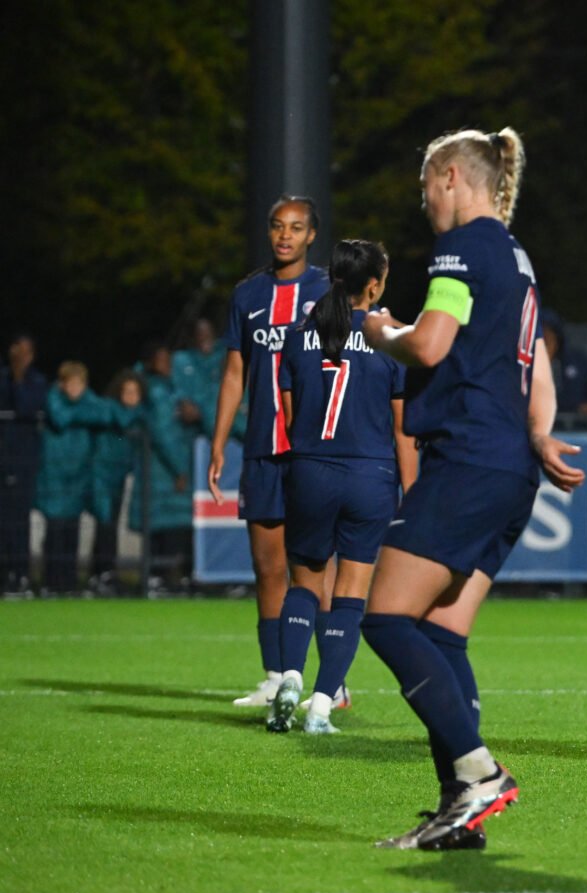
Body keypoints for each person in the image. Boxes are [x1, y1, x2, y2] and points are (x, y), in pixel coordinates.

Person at [359, 126, 584, 850]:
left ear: (452, 175)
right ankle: (461, 808)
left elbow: (429, 344)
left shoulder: (461, 248)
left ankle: (479, 771)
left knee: (387, 618)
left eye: (426, 184)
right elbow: (538, 362)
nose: (423, 199)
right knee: (440, 632)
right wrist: (542, 433)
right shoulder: (517, 259)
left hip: (468, 458)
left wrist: (380, 330)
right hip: (510, 466)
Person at [265, 239, 418, 735]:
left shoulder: (296, 337)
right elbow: (403, 430)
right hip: (370, 476)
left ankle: (289, 676)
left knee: (305, 585)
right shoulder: (389, 339)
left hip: (311, 470)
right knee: (351, 594)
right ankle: (322, 707)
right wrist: (411, 494)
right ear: (372, 285)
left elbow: (288, 417)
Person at [209, 196, 329, 706]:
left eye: (296, 228)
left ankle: (330, 680)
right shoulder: (248, 295)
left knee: (313, 567)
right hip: (262, 446)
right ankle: (276, 675)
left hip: (311, 450)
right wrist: (219, 442)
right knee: (267, 567)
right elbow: (235, 372)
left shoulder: (327, 290)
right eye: (278, 226)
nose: (285, 235)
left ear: (311, 236)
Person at [35, 362, 109, 593]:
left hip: (78, 476)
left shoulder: (88, 400)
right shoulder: (53, 398)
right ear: (62, 383)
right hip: (54, 475)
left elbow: (105, 414)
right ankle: (51, 581)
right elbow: (60, 418)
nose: (76, 388)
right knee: (55, 531)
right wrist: (83, 415)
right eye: (71, 383)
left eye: (80, 383)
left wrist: (78, 413)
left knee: (72, 531)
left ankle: (68, 582)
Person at [131, 342, 196, 592]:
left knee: (166, 524)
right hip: (162, 469)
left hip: (164, 468)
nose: (167, 365)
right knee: (165, 525)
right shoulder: (157, 393)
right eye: (161, 360)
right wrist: (179, 469)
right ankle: (160, 577)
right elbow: (162, 434)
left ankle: (161, 577)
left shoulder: (168, 389)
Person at [89, 370, 144, 593]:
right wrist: (140, 409)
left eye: (136, 393)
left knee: (111, 523)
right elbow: (123, 419)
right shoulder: (115, 410)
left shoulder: (132, 416)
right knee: (105, 523)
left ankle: (107, 572)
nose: (131, 397)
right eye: (127, 391)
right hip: (103, 474)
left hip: (118, 475)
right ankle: (101, 572)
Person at [0, 334, 47, 593]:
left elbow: (26, 408)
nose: (20, 357)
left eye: (25, 352)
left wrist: (18, 377)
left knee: (18, 521)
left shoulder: (36, 381)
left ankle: (19, 574)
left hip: (21, 461)